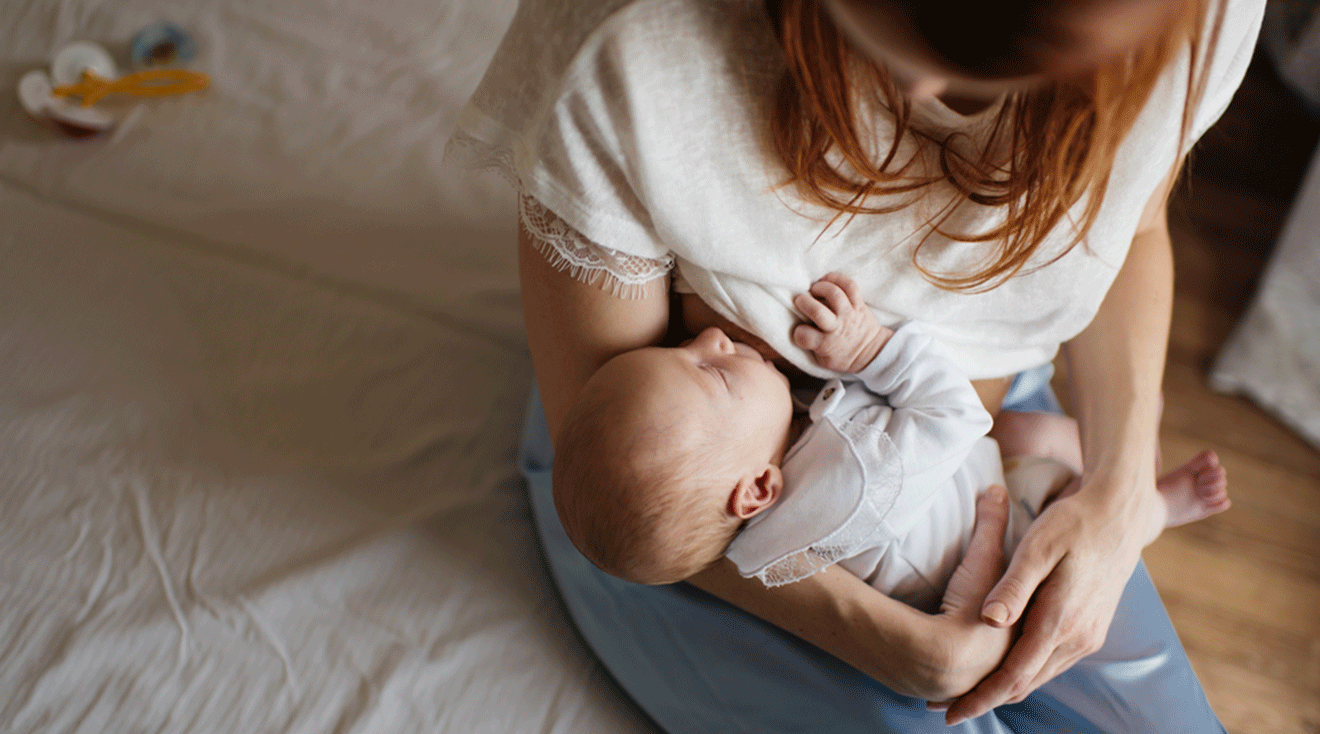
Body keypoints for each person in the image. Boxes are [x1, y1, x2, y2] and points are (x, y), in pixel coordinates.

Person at [448, 0, 1265, 728]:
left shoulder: (1202, 19)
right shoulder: (625, 35)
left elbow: (1134, 228)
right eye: (898, 34)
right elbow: (636, 500)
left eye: (1003, 80)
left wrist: (1120, 495)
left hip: (966, 452)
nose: (919, 98)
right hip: (675, 527)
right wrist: (898, 646)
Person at [552, 273, 1230, 612]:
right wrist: (872, 350)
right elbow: (958, 416)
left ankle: (1108, 440)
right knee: (1049, 468)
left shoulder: (744, 488)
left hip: (937, 481)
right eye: (714, 372)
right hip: (989, 526)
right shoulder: (856, 472)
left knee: (1034, 434)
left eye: (686, 348)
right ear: (758, 488)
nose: (713, 339)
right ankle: (1152, 504)